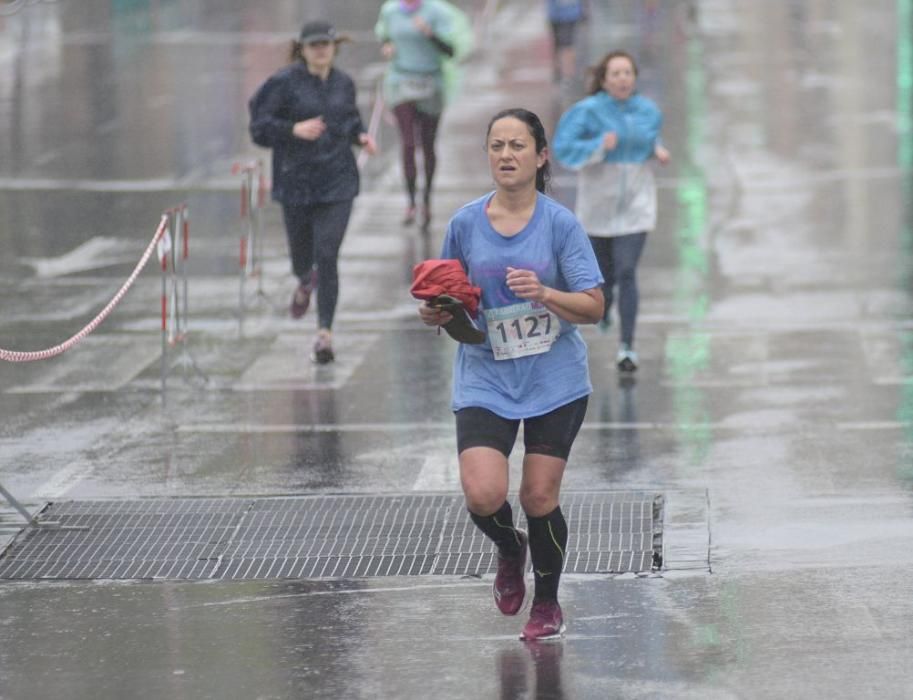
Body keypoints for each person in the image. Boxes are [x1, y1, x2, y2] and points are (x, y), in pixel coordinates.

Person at [418, 108, 604, 641]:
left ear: (541, 156)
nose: (506, 155)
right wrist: (436, 312)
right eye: (497, 146)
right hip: (486, 373)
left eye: (517, 146)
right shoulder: (464, 223)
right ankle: (509, 546)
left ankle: (546, 602)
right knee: (482, 493)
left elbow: (593, 307)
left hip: (554, 378)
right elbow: (448, 296)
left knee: (538, 497)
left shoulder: (560, 224)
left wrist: (544, 292)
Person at [248, 20, 377, 364]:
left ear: (335, 47)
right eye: (314, 45)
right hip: (296, 184)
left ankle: (325, 334)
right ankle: (304, 281)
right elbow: (258, 128)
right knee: (303, 258)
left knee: (328, 253)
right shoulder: (282, 83)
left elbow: (349, 120)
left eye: (326, 44)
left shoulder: (343, 83)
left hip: (338, 182)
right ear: (302, 49)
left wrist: (361, 136)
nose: (321, 50)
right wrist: (293, 129)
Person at [553, 50, 670, 372]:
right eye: (615, 73)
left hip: (636, 203)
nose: (622, 79)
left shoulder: (647, 110)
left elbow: (646, 138)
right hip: (598, 207)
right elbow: (564, 149)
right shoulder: (586, 112)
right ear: (604, 79)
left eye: (627, 73)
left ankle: (627, 346)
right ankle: (604, 309)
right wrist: (596, 147)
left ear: (634, 78)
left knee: (627, 271)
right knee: (603, 276)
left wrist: (656, 149)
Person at [375, 0, 470, 230]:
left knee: (428, 144)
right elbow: (384, 36)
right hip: (401, 81)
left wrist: (430, 33)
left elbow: (452, 51)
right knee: (408, 143)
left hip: (431, 82)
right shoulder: (390, 11)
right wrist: (387, 46)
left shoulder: (437, 12)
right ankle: (410, 202)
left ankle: (426, 199)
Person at [546, 0, 585, 85]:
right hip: (555, 14)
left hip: (569, 15)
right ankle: (560, 72)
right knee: (559, 45)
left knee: (567, 45)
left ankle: (568, 73)